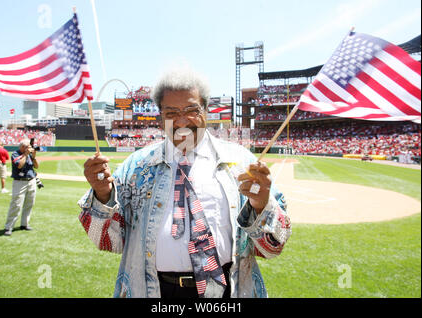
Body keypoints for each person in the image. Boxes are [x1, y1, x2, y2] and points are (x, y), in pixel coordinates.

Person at [79, 68, 291, 298]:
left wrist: (261, 206)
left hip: (229, 290)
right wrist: (103, 195)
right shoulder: (135, 168)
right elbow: (108, 241)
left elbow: (273, 247)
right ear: (160, 116)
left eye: (191, 110)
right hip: (154, 291)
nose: (181, 120)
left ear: (206, 111)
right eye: (171, 112)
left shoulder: (242, 165)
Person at [4, 139, 39, 236]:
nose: (30, 148)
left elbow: (37, 166)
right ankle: (8, 227)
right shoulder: (15, 154)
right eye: (28, 147)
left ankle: (24, 224)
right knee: (16, 205)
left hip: (31, 181)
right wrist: (25, 155)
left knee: (29, 204)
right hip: (20, 182)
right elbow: (19, 165)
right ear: (22, 147)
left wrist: (34, 157)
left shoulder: (29, 155)